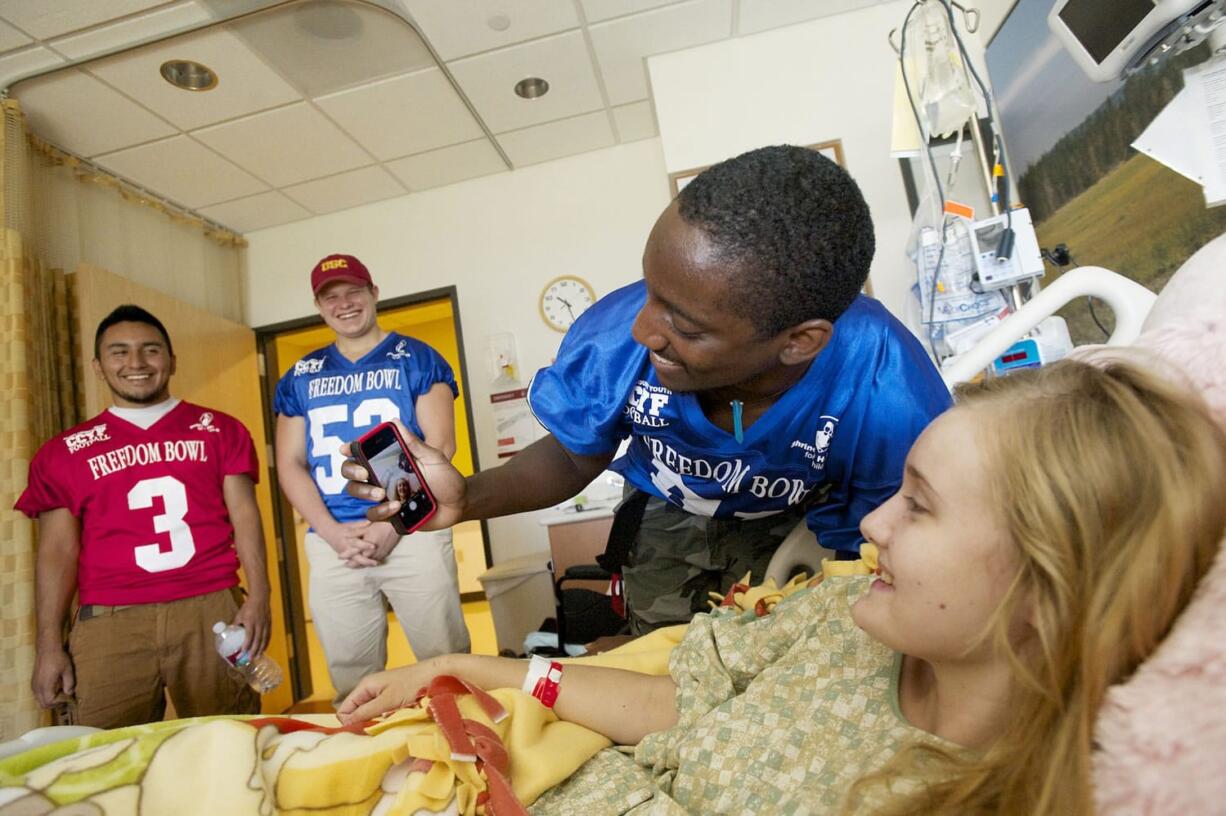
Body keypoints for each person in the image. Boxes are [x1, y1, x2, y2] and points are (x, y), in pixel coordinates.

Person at [337, 359, 1226, 814]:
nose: (870, 526)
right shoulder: (846, 617)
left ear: (1048, 584)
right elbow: (679, 706)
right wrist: (469, 668)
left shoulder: (971, 791)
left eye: (917, 506)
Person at [347, 145, 952, 634]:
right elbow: (572, 451)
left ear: (798, 341)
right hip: (667, 518)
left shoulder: (884, 387)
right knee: (663, 672)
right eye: (649, 291)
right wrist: (468, 500)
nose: (643, 329)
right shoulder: (618, 336)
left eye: (683, 326)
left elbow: (881, 535)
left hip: (804, 524)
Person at [16, 305, 271, 729]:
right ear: (99, 367)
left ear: (172, 361)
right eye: (119, 352)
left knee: (229, 740)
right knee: (103, 753)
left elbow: (246, 518)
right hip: (110, 620)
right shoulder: (63, 452)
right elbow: (57, 552)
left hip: (211, 608)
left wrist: (260, 596)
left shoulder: (220, 430)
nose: (135, 363)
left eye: (150, 350)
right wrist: (48, 645)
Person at [273, 253, 470, 702]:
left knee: (445, 662)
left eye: (353, 292)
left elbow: (440, 445)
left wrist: (391, 522)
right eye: (331, 297)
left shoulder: (418, 358)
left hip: (413, 524)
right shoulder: (301, 375)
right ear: (319, 306)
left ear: (374, 293)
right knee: (350, 679)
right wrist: (331, 533)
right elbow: (290, 463)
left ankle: (464, 748)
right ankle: (372, 762)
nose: (344, 304)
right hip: (335, 538)